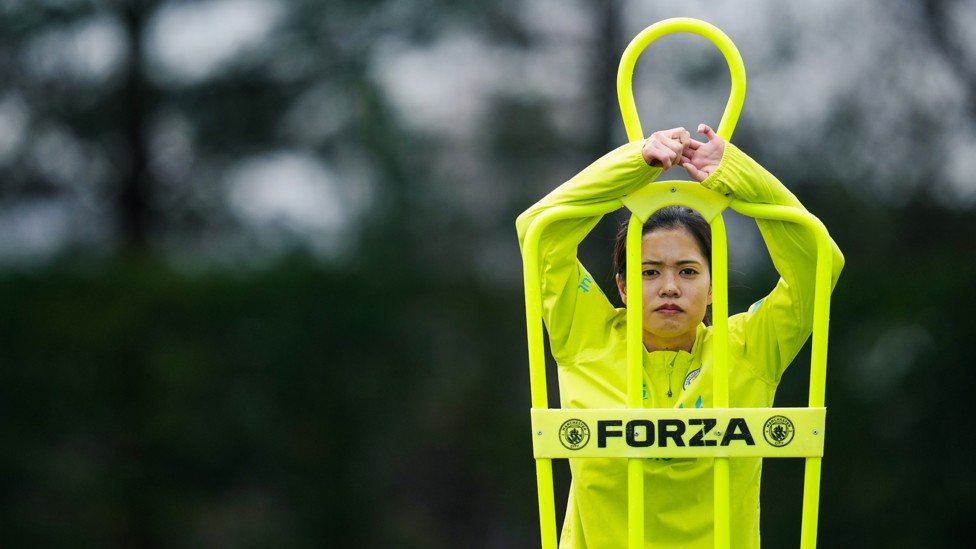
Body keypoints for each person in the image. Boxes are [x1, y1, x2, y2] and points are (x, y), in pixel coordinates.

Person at [515, 124, 845, 548]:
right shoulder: (587, 337)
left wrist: (738, 174)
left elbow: (818, 265)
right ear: (622, 288)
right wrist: (634, 166)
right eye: (649, 272)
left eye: (687, 271)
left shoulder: (746, 349)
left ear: (713, 287)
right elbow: (538, 233)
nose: (669, 287)